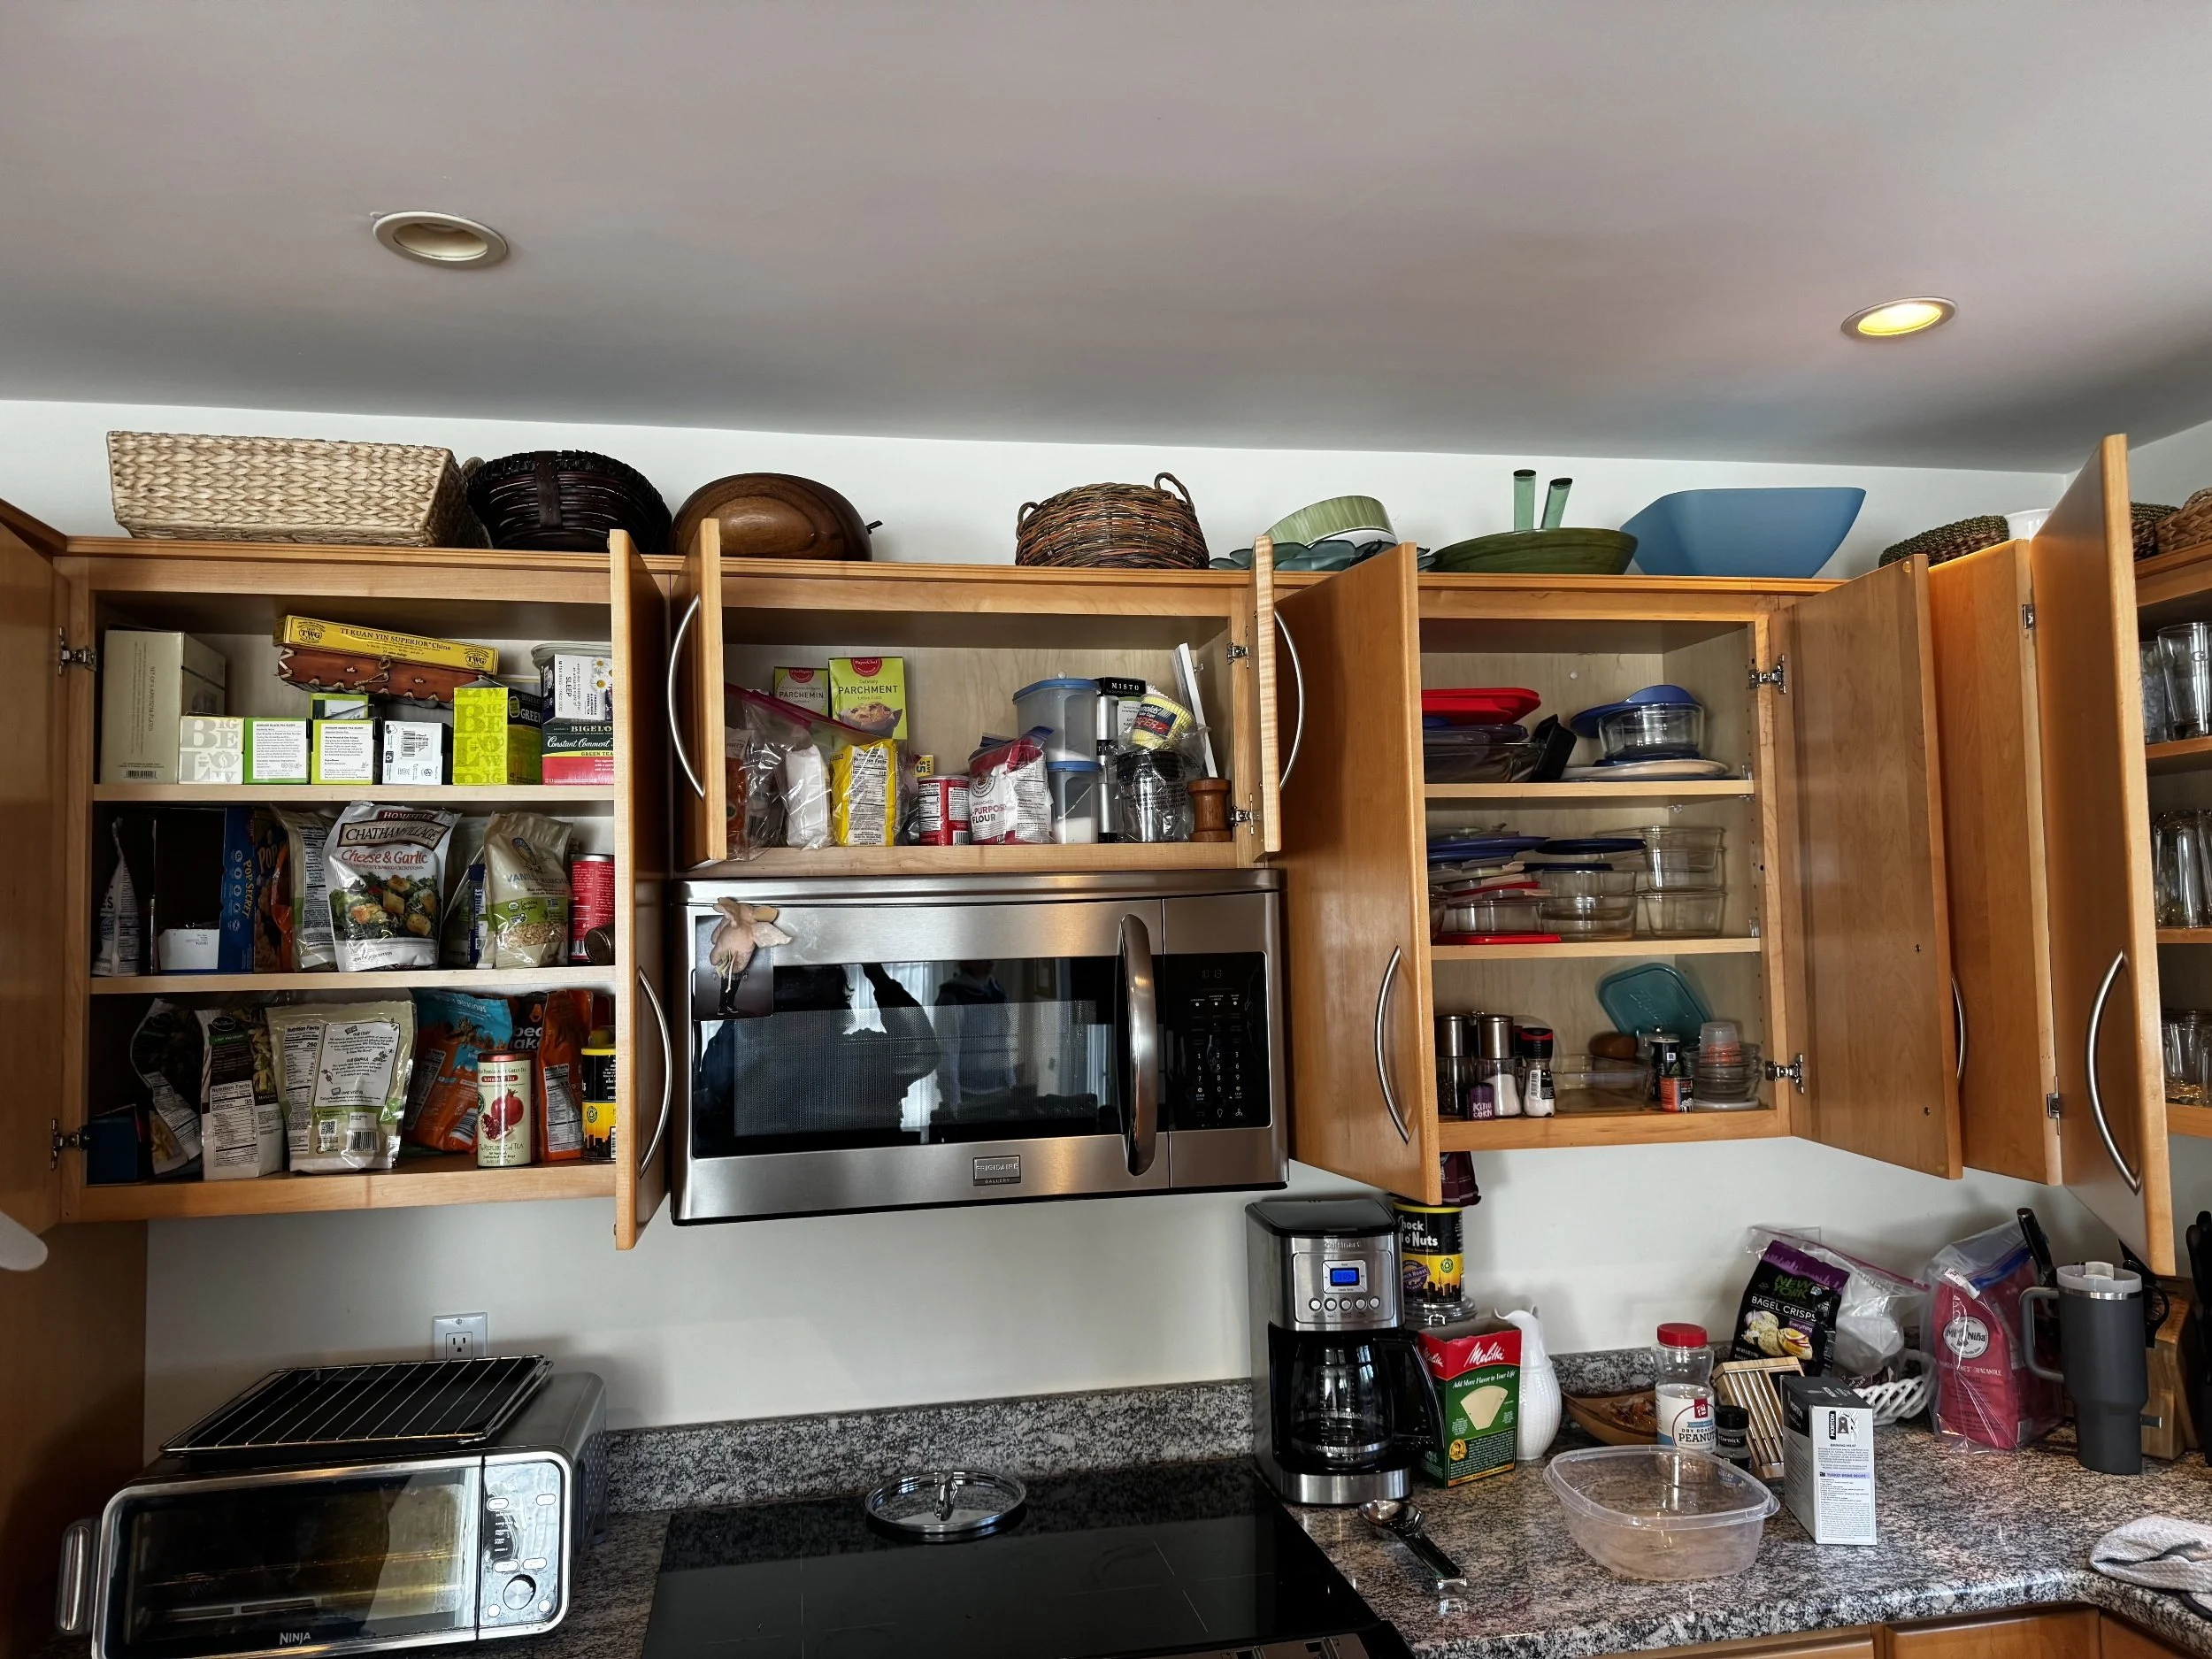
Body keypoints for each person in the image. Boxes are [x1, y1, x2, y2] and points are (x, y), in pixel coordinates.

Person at [694, 961, 941, 1146]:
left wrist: (879, 978)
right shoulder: (756, 1059)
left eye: (816, 1007)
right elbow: (712, 1087)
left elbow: (922, 1053)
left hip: (863, 1179)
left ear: (834, 1011)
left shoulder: (863, 1053)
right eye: (792, 1010)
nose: (803, 1021)